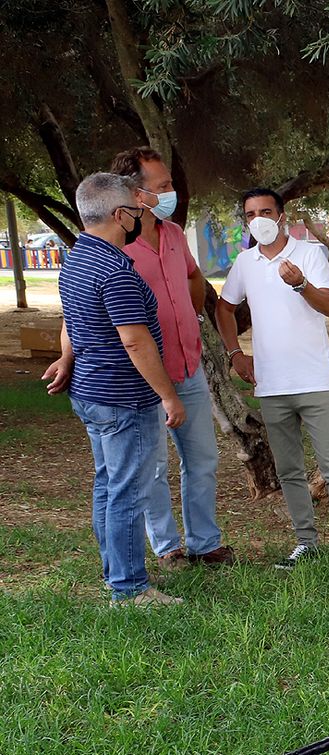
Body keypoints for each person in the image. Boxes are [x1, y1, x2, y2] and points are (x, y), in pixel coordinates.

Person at [42, 173, 187, 606]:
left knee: (108, 485)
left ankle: (116, 573)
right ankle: (129, 589)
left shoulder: (76, 258)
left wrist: (68, 357)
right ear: (121, 215)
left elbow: (71, 321)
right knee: (127, 491)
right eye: (138, 212)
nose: (142, 219)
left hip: (92, 394)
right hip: (123, 398)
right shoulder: (114, 269)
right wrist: (168, 395)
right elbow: (135, 340)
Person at [217, 187, 329, 569]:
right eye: (251, 214)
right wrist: (234, 353)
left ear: (282, 216)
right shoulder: (246, 262)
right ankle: (306, 542)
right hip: (272, 384)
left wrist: (300, 284)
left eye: (266, 211)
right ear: (246, 221)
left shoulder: (309, 253)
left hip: (314, 380)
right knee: (289, 470)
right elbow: (224, 308)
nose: (259, 219)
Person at [106, 145, 234, 569]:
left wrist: (191, 316)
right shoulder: (116, 248)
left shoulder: (175, 234)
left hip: (189, 367)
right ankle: (168, 548)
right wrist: (68, 355)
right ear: (136, 194)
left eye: (170, 184)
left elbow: (194, 277)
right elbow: (81, 306)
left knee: (202, 460)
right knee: (153, 468)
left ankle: (204, 542)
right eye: (162, 186)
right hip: (145, 377)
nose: (171, 192)